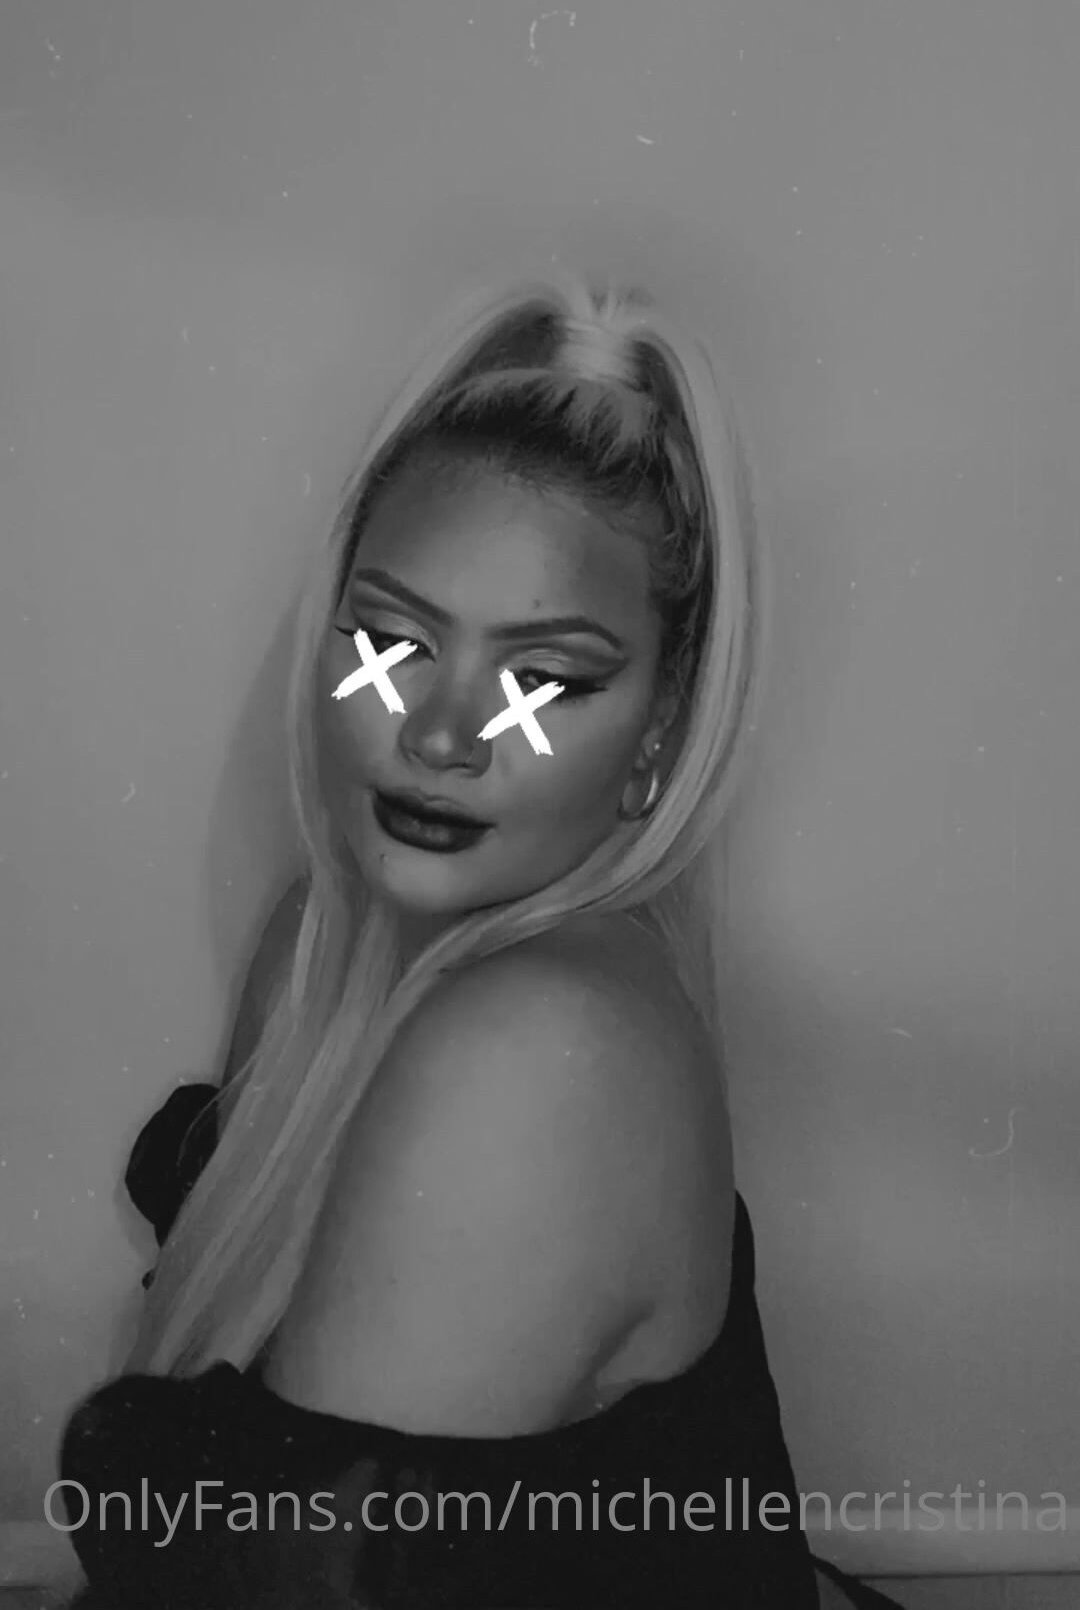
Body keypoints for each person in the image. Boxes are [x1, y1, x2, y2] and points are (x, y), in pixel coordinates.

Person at [57, 270, 904, 1608]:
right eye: (393, 644)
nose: (442, 735)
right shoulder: (315, 950)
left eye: (543, 678)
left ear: (663, 730)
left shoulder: (540, 1047)